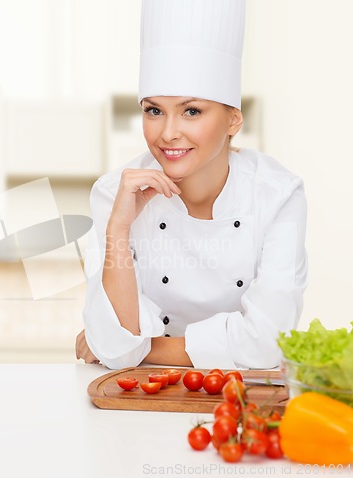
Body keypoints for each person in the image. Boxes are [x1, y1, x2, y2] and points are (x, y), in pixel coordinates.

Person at [75, 0, 308, 370]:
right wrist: (118, 229)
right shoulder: (114, 193)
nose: (168, 133)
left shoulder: (278, 195)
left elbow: (267, 345)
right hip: (139, 408)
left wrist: (140, 348)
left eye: (192, 111)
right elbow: (116, 349)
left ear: (233, 120)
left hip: (238, 404)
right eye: (153, 110)